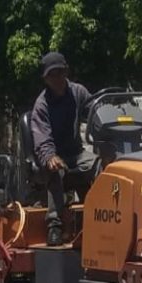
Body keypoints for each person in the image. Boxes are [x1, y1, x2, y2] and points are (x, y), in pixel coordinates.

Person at [30, 52, 98, 246]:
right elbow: (42, 138)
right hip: (54, 156)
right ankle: (54, 225)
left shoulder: (78, 92)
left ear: (66, 72)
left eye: (61, 72)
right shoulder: (41, 106)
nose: (58, 78)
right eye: (53, 75)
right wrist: (50, 156)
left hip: (76, 154)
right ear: (46, 79)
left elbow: (94, 112)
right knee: (55, 170)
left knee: (101, 165)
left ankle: (98, 216)